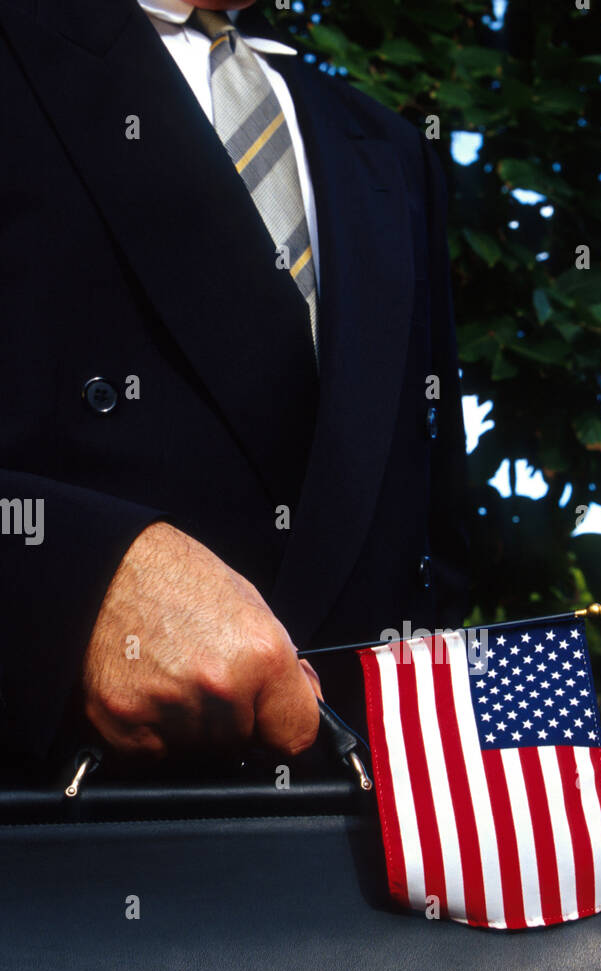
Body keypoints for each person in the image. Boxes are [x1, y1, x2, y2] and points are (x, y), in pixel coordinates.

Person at [0, 0, 468, 775]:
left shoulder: (384, 145)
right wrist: (63, 584)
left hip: (344, 840)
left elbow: (430, 525)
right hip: (46, 834)